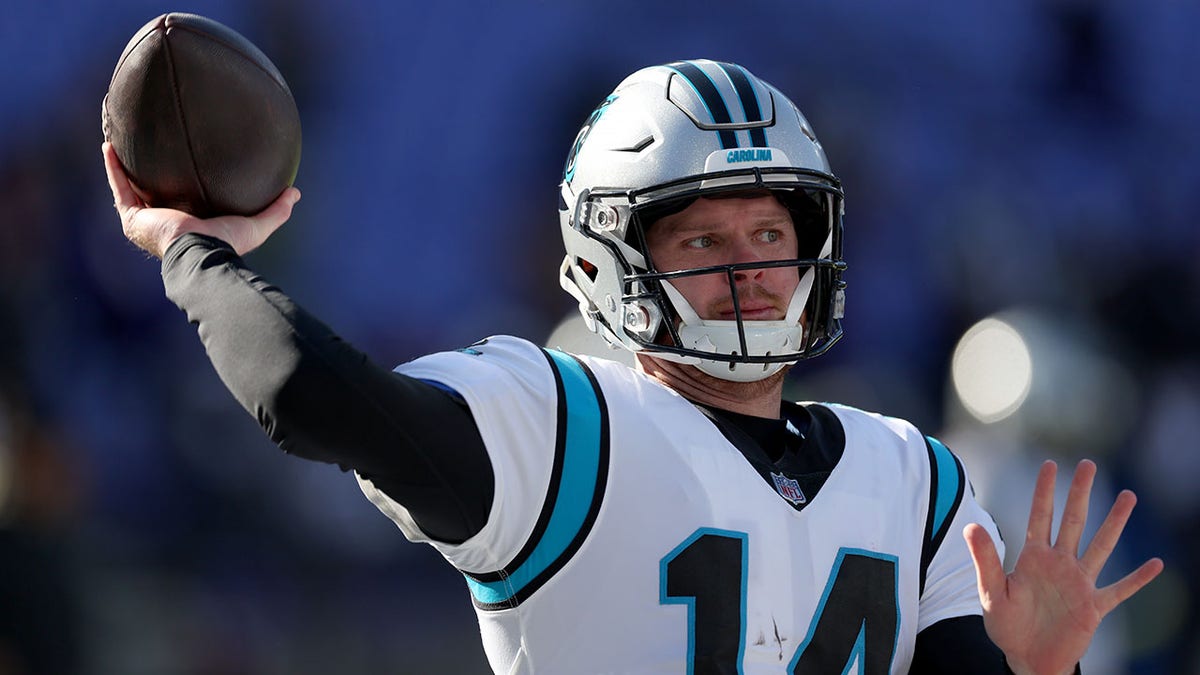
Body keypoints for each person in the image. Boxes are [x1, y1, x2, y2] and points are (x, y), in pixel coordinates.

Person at [103, 59, 1161, 674]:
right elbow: (305, 392)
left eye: (770, 231)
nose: (750, 270)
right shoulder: (559, 419)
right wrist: (193, 253)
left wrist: (1039, 670)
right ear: (607, 262)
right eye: (700, 241)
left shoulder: (916, 475)